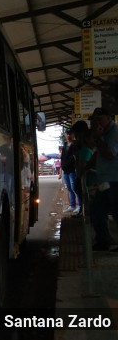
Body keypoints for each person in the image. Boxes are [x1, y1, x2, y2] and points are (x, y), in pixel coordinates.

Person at [77, 129, 112, 251]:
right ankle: (103, 239)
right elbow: (84, 167)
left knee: (99, 213)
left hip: (99, 184)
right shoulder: (88, 151)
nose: (95, 141)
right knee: (98, 213)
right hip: (93, 185)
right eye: (94, 138)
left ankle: (104, 239)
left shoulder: (95, 150)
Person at [90, 107, 118, 248]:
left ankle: (105, 241)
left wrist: (98, 138)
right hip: (105, 180)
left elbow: (110, 154)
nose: (97, 123)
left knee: (112, 211)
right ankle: (104, 241)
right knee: (96, 210)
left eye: (100, 119)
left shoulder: (114, 132)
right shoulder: (105, 133)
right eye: (95, 120)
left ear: (108, 118)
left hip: (114, 180)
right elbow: (98, 154)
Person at [59, 127, 82, 214]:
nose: (68, 135)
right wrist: (60, 171)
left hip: (73, 170)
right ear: (65, 135)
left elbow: (76, 158)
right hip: (66, 170)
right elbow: (62, 158)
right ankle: (72, 205)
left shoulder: (75, 145)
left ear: (73, 135)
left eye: (70, 134)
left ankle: (79, 205)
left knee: (75, 188)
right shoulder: (65, 145)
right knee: (69, 188)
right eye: (67, 134)